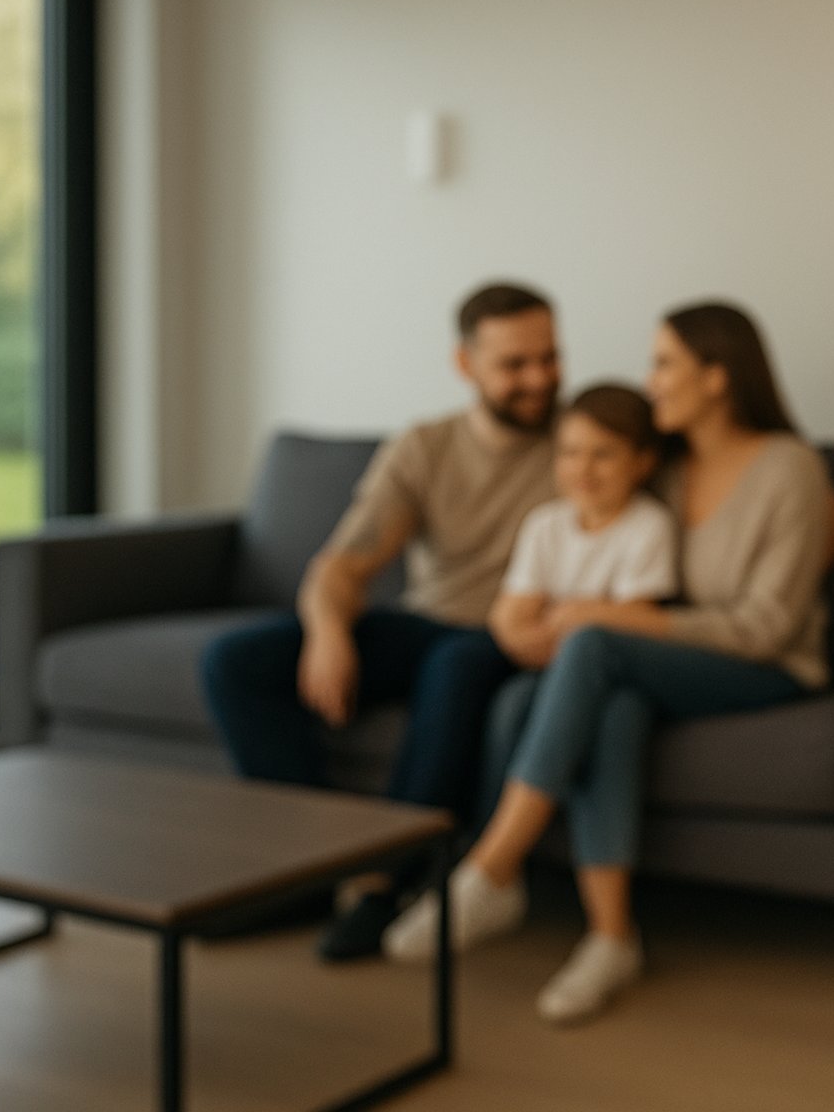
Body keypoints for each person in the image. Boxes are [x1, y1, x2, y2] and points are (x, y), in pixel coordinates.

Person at [383, 301, 834, 1026]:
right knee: (615, 706)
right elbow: (589, 526)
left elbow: (768, 626)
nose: (650, 379)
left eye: (664, 364)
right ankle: (611, 937)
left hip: (770, 666)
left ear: (717, 378)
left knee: (595, 647)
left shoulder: (790, 468)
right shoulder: (670, 471)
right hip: (680, 660)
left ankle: (491, 868)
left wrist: (608, 618)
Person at [200, 282, 562, 961]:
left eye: (549, 358)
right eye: (516, 364)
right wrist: (328, 634)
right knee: (235, 662)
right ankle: (308, 867)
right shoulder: (426, 446)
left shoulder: (584, 443)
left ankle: (383, 882)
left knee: (455, 665)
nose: (539, 379)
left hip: (513, 634)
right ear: (466, 364)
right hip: (429, 622)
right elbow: (343, 564)